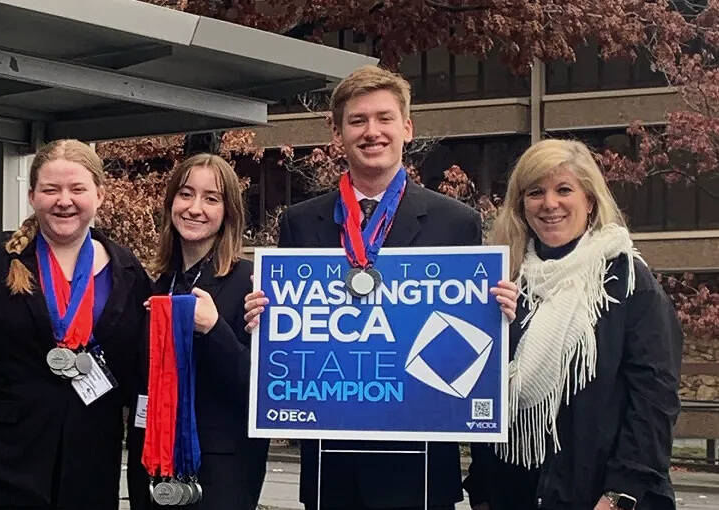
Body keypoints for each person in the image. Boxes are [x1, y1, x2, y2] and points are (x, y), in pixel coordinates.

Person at [243, 65, 517, 510]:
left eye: (385, 118)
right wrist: (263, 319)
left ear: (407, 128)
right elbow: (291, 340)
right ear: (338, 133)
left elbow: (475, 340)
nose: (372, 132)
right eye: (358, 121)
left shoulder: (456, 221)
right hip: (332, 464)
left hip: (421, 465)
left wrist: (499, 314)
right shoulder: (301, 221)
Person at [463, 139, 683, 510]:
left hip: (600, 496)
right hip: (515, 493)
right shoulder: (507, 283)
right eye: (536, 192)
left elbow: (654, 400)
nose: (550, 204)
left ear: (590, 201)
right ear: (521, 205)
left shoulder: (627, 281)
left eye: (564, 190)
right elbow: (489, 396)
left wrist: (620, 495)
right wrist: (482, 489)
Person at [0, 139, 150, 510]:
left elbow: (137, 369)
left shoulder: (130, 273)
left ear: (100, 195)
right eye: (51, 189)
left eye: (77, 189)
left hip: (88, 468)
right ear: (32, 195)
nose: (64, 200)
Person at [126, 154, 269, 510]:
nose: (195, 208)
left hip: (220, 472)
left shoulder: (252, 285)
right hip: (153, 464)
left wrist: (213, 327)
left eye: (211, 198)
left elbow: (262, 389)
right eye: (186, 194)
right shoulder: (155, 284)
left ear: (228, 212)